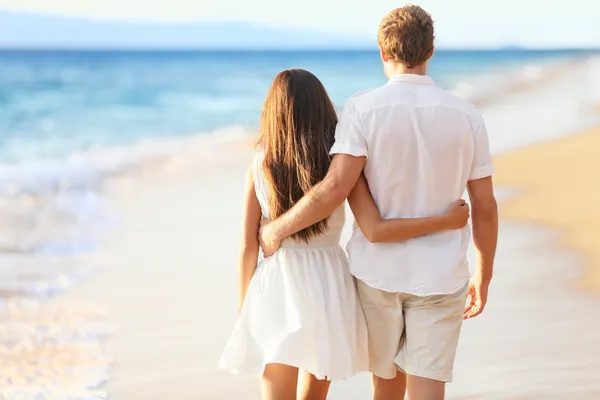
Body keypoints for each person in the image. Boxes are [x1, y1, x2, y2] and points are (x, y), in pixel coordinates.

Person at [258, 6, 499, 400]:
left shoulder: (362, 109)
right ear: (431, 51)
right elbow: (485, 207)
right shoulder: (467, 115)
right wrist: (483, 275)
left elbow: (335, 187)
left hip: (376, 274)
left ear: (383, 53)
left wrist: (276, 229)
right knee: (428, 385)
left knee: (386, 385)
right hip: (441, 274)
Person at [219, 68, 472, 400]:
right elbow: (374, 226)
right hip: (328, 282)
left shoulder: (261, 161)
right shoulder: (337, 163)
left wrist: (244, 310)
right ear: (323, 107)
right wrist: (444, 220)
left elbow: (246, 246)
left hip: (277, 283)